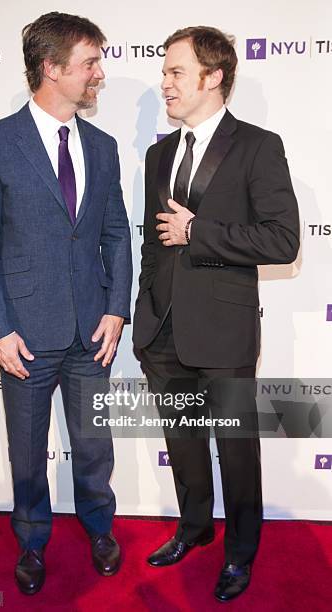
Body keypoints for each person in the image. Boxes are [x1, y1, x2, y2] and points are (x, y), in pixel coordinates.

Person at [0, 11, 132, 595]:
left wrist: (116, 309)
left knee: (94, 446)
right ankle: (32, 540)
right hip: (25, 335)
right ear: (52, 68)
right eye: (90, 62)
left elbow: (116, 232)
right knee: (28, 454)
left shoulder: (104, 146)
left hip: (92, 331)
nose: (99, 74)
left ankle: (99, 528)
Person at [133, 26, 299, 602]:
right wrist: (143, 312)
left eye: (176, 72)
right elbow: (155, 243)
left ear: (213, 77)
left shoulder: (258, 145)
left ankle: (240, 553)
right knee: (182, 445)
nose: (165, 83)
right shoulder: (159, 153)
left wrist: (199, 231)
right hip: (163, 332)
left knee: (236, 450)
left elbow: (282, 240)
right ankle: (194, 527)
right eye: (165, 71)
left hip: (224, 334)